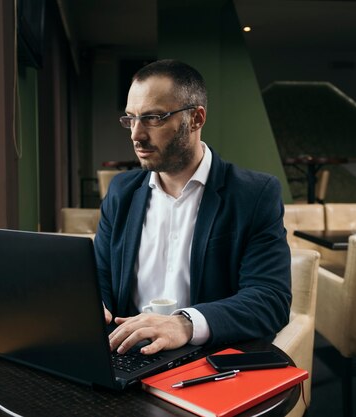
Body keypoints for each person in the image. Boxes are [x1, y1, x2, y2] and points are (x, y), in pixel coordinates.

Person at [93, 59, 291, 356]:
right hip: (127, 358)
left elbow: (270, 300)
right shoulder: (121, 192)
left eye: (154, 118)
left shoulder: (254, 194)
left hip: (207, 362)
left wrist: (185, 325)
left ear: (196, 119)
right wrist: (96, 307)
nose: (136, 135)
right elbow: (100, 276)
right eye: (131, 119)